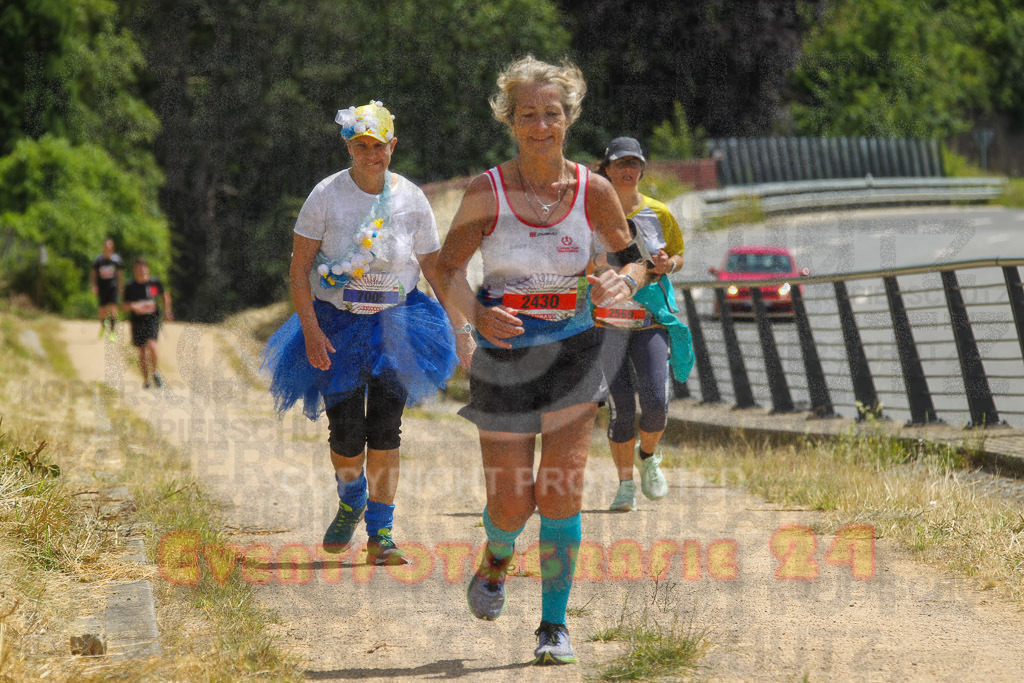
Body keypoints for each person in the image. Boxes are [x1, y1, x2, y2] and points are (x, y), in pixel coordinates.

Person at [434, 56, 646, 666]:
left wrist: (621, 284)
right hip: (503, 357)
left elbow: (632, 258)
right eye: (528, 115)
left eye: (552, 114)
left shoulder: (594, 190)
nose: (541, 126)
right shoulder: (487, 190)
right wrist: (477, 316)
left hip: (575, 349)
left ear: (568, 118)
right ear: (510, 121)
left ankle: (553, 627)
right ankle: (497, 557)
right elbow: (447, 270)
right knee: (511, 503)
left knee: (560, 492)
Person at [262, 101, 461, 567]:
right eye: (360, 146)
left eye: (378, 146)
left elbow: (434, 267)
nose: (370, 155)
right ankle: (351, 497)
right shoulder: (326, 195)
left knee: (386, 430)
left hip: (400, 324)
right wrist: (310, 330)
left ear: (393, 146)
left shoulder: (412, 198)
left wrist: (459, 326)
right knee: (347, 433)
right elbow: (299, 270)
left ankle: (382, 533)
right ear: (349, 147)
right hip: (337, 324)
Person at [591, 137, 694, 512]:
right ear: (608, 169)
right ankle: (624, 488)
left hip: (649, 321)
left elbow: (679, 255)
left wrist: (669, 265)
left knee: (655, 404)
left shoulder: (658, 213)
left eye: (634, 163)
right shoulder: (592, 213)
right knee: (620, 410)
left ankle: (647, 456)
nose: (628, 170)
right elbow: (579, 264)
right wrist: (602, 264)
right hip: (607, 323)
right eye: (620, 164)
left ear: (642, 169)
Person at [122, 258, 173, 388]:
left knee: (152, 346)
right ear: (134, 271)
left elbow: (165, 296)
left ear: (147, 269)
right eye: (138, 268)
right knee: (142, 353)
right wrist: (134, 306)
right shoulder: (130, 286)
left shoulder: (154, 283)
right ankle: (146, 380)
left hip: (152, 319)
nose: (141, 271)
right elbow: (124, 306)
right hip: (137, 321)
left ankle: (155, 372)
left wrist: (167, 311)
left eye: (143, 268)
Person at [90, 237, 124, 340]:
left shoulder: (116, 260)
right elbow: (93, 274)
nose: (108, 248)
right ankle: (103, 325)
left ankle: (112, 332)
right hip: (102, 288)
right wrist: (93, 285)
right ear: (103, 247)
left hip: (113, 287)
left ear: (112, 247)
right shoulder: (98, 260)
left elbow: (119, 275)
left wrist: (120, 288)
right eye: (106, 246)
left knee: (113, 308)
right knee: (102, 310)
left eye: (110, 246)